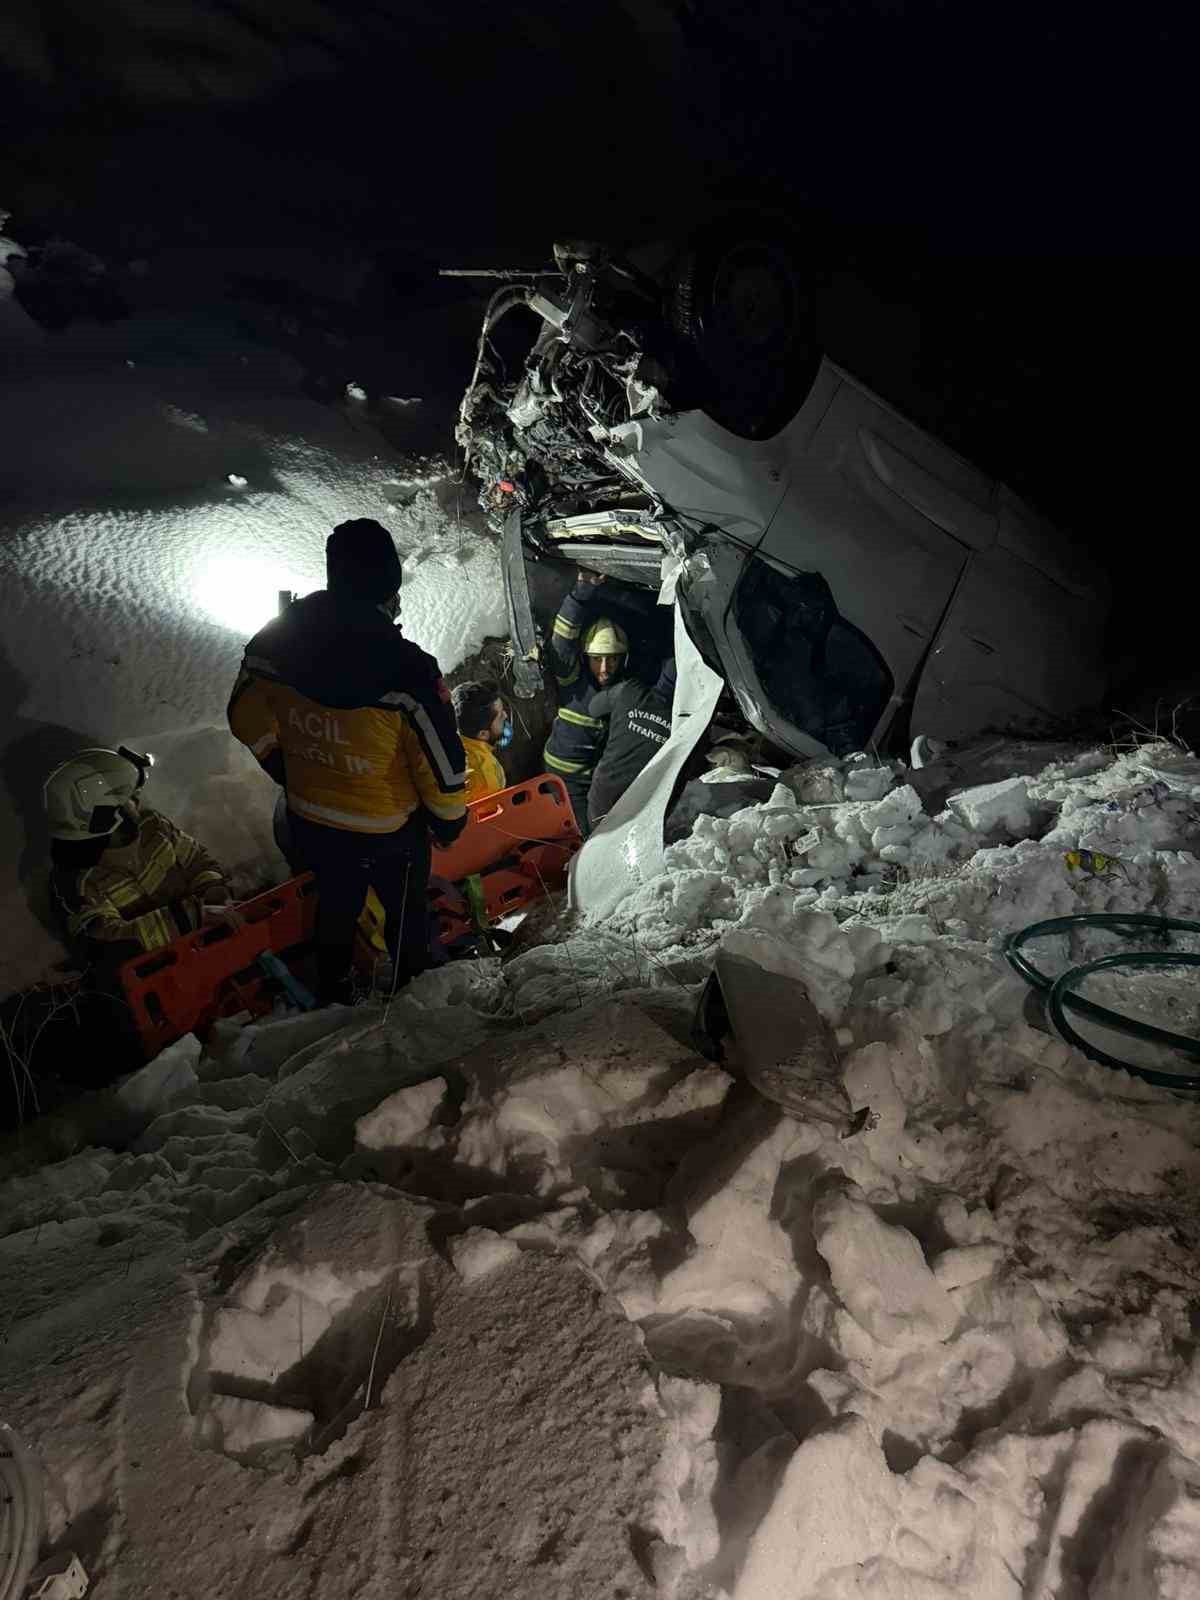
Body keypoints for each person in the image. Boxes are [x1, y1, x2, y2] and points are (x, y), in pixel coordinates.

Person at [227, 518, 467, 1006]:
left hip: (312, 818)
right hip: (387, 830)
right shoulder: (408, 669)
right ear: (389, 584)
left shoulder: (273, 644)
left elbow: (242, 717)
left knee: (336, 908)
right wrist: (450, 820)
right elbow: (440, 764)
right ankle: (412, 1001)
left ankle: (333, 996)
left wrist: (287, 767)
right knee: (406, 918)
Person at [45, 745, 238, 966]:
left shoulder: (152, 825)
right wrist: (195, 914)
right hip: (162, 976)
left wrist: (215, 895)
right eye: (129, 796)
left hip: (211, 946)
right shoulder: (74, 881)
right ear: (101, 815)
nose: (138, 801)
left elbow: (199, 863)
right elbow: (106, 945)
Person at [543, 570, 628, 836]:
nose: (604, 668)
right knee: (582, 837)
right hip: (556, 779)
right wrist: (580, 594)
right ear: (586, 657)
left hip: (588, 782)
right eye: (597, 658)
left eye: (612, 658)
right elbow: (562, 641)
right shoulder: (574, 682)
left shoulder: (625, 691)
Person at [586, 655, 677, 829]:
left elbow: (594, 708)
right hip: (639, 809)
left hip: (603, 798)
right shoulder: (686, 724)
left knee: (595, 846)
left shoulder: (629, 691)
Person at [451, 679, 511, 802]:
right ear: (483, 734)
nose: (505, 715)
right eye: (499, 716)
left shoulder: (454, 733)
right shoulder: (484, 782)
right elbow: (493, 818)